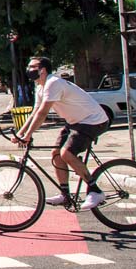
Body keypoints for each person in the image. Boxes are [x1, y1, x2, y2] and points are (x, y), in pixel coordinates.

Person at [13, 56, 108, 210]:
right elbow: (35, 112)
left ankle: (95, 191)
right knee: (56, 154)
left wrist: (28, 135)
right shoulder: (40, 87)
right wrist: (21, 133)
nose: (28, 70)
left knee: (67, 154)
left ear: (42, 70)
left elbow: (43, 113)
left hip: (93, 121)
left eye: (32, 67)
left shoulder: (53, 83)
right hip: (75, 122)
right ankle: (65, 195)